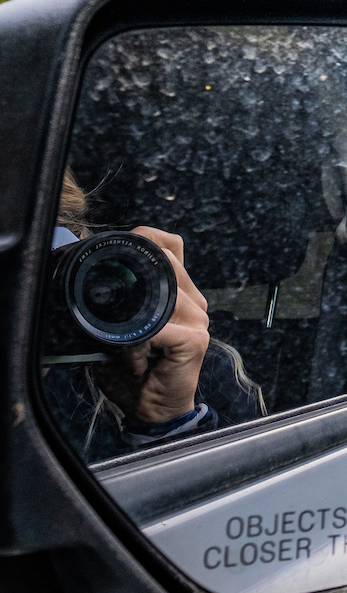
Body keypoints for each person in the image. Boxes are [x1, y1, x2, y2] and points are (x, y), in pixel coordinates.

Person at [42, 171, 266, 464]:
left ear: (75, 251)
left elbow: (247, 505)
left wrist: (167, 420)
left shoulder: (188, 370)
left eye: (40, 263)